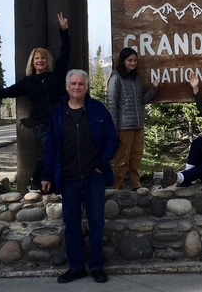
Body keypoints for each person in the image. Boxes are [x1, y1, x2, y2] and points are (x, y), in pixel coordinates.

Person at [0, 12, 70, 190]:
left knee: (60, 149)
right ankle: (35, 181)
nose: (40, 61)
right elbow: (5, 92)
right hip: (41, 122)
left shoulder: (56, 74)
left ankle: (54, 184)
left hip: (60, 118)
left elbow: (65, 51)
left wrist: (64, 30)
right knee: (49, 148)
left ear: (47, 60)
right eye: (37, 58)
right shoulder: (27, 83)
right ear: (32, 62)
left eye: (43, 58)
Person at [41, 69, 118, 284]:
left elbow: (112, 139)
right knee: (71, 223)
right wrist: (47, 173)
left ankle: (96, 267)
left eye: (81, 84)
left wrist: (102, 163)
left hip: (94, 176)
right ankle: (76, 267)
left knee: (96, 223)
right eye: (73, 84)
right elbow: (51, 146)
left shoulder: (97, 109)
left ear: (86, 87)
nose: (77, 87)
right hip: (68, 177)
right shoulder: (57, 112)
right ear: (67, 87)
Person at [106, 47, 158, 190]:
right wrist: (114, 129)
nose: (133, 63)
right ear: (123, 61)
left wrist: (154, 89)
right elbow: (111, 105)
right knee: (122, 159)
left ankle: (136, 184)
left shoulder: (136, 80)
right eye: (130, 60)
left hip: (138, 124)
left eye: (135, 60)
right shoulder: (115, 79)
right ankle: (119, 186)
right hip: (124, 126)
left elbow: (142, 100)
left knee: (136, 157)